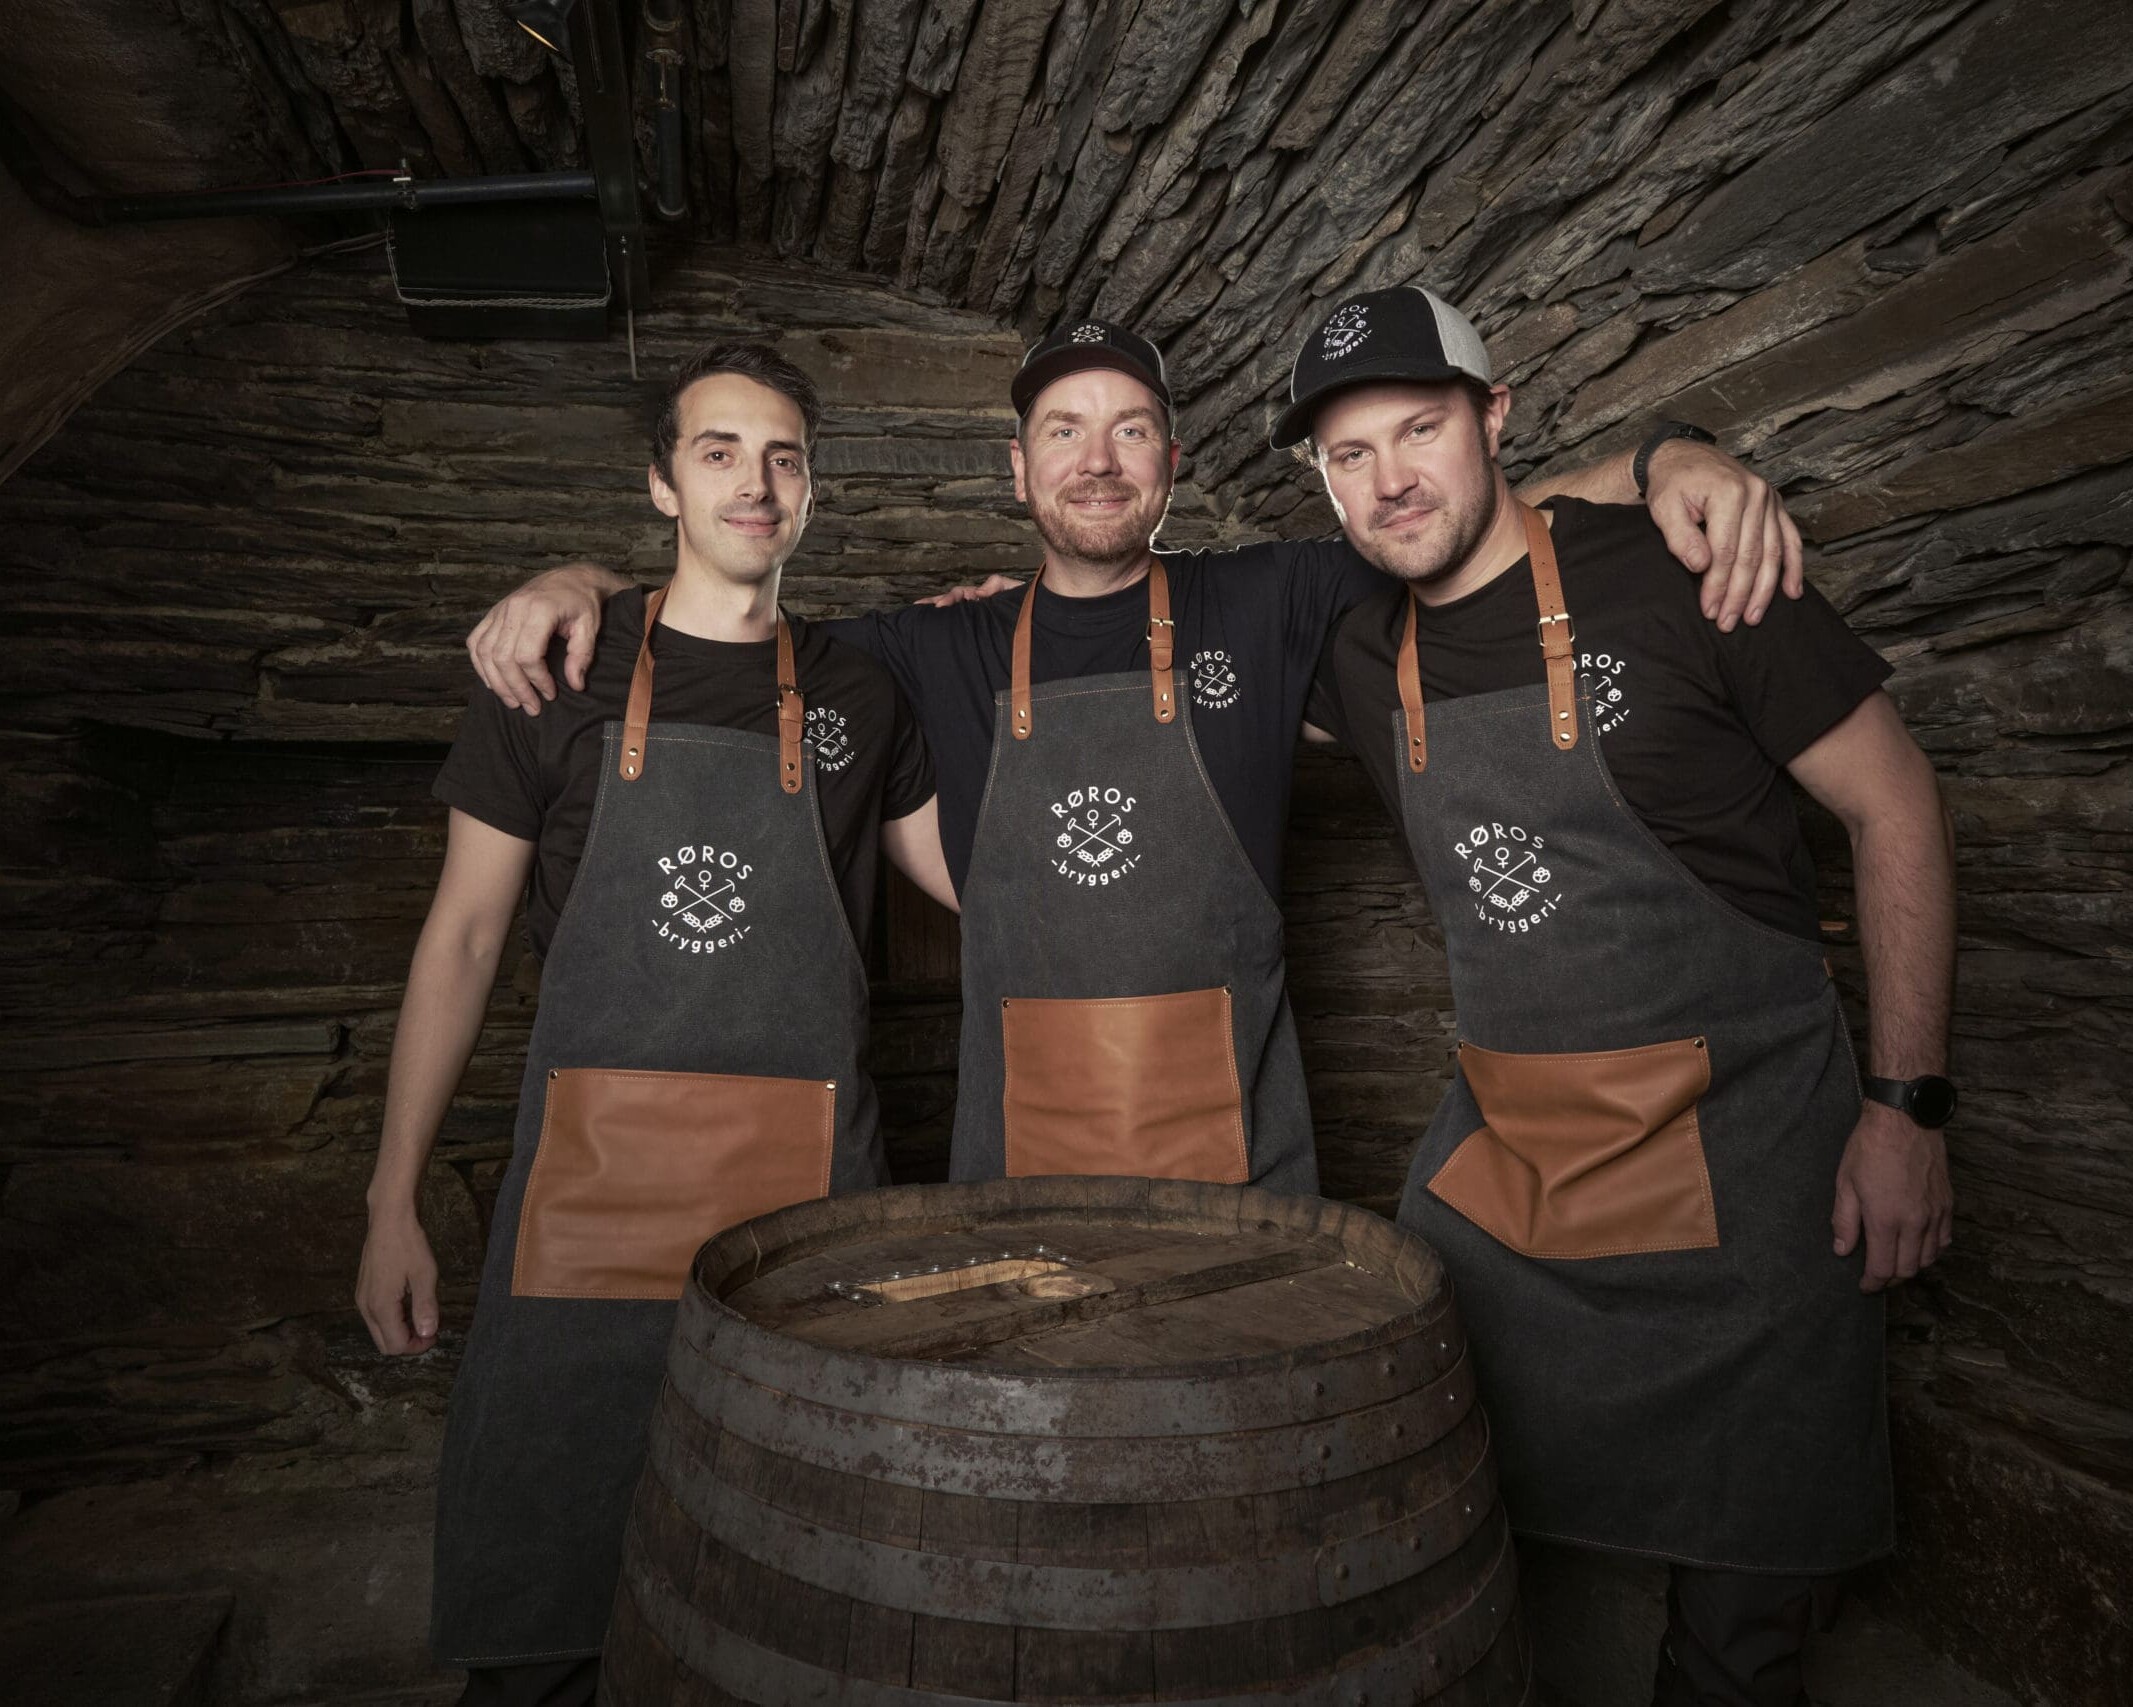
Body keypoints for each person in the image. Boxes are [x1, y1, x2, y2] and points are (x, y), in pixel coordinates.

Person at [464, 321, 1805, 1194]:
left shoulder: (1271, 601)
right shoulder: (928, 651)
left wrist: (1669, 459)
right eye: (1063, 430)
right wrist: (579, 581)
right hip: (1019, 1163)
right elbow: (727, 618)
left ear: (1170, 461)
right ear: (1017, 468)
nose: (1095, 461)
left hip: (1241, 1157)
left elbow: (1459, 521)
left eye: (1127, 430)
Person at [1286, 286, 1957, 1706]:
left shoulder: (1683, 574)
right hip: (1512, 1161)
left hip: (1754, 1152)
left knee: (1749, 1589)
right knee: (1421, 1489)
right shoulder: (1356, 649)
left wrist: (1905, 1112)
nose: (1388, 478)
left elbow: (1894, 806)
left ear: (1496, 420)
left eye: (1419, 428)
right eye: (1347, 454)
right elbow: (1145, 630)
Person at [354, 342, 950, 1707]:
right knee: (550, 1595)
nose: (757, 482)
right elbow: (459, 941)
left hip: (808, 1207)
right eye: (719, 451)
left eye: (784, 455)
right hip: (587, 1202)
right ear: (660, 484)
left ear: (811, 491)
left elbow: (983, 889)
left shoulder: (860, 690)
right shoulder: (552, 673)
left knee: (800, 1584)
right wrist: (392, 1201)